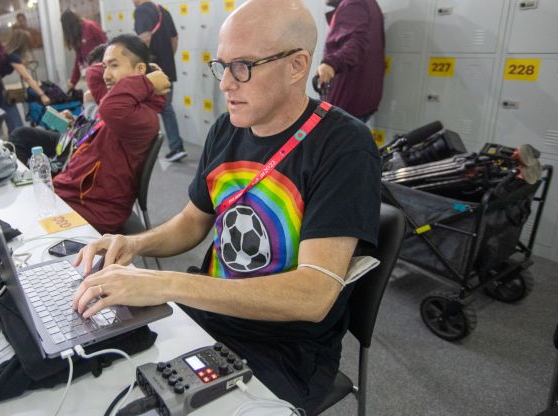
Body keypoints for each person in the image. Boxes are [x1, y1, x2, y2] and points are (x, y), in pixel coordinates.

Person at [71, 1, 381, 414]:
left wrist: (163, 284)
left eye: (243, 67)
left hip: (282, 348)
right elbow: (191, 222)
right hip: (206, 314)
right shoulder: (227, 128)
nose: (226, 85)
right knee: (94, 378)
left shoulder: (344, 145)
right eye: (222, 66)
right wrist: (131, 243)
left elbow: (313, 294)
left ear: (296, 65)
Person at [10, 35, 169, 234]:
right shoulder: (126, 102)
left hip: (91, 208)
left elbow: (109, 106)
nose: (106, 75)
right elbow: (94, 74)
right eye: (105, 66)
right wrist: (144, 78)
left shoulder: (141, 116)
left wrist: (146, 83)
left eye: (114, 65)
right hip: (72, 194)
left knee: (15, 225)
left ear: (140, 71)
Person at [132, 0, 187, 162]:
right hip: (167, 68)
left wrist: (140, 66)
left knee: (147, 108)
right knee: (165, 107)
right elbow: (174, 39)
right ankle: (176, 146)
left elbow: (144, 38)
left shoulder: (141, 10)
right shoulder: (162, 10)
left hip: (152, 70)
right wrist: (167, 59)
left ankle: (147, 149)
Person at [316, 0, 385, 123]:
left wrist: (330, 64)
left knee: (322, 134)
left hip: (346, 102)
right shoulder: (367, 3)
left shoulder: (352, 4)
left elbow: (356, 45)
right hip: (359, 101)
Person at [60, 9, 108, 92]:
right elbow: (79, 59)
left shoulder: (90, 26)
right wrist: (73, 82)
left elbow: (107, 45)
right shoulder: (77, 34)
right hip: (93, 73)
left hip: (104, 69)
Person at [3, 29, 51, 106]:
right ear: (23, 44)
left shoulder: (8, 52)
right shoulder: (13, 56)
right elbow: (27, 77)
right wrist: (42, 95)